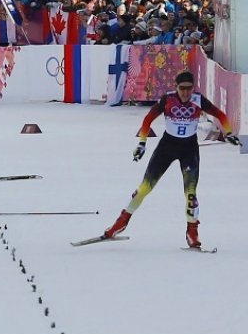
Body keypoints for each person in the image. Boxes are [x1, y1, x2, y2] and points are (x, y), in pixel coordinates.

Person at [102, 71, 241, 248]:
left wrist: (228, 132)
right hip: (167, 147)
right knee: (144, 188)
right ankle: (120, 223)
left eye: (189, 89)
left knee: (191, 194)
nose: (185, 93)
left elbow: (220, 115)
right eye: (182, 88)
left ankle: (192, 232)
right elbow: (148, 119)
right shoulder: (167, 99)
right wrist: (142, 143)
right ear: (176, 87)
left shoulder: (198, 100)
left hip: (189, 149)